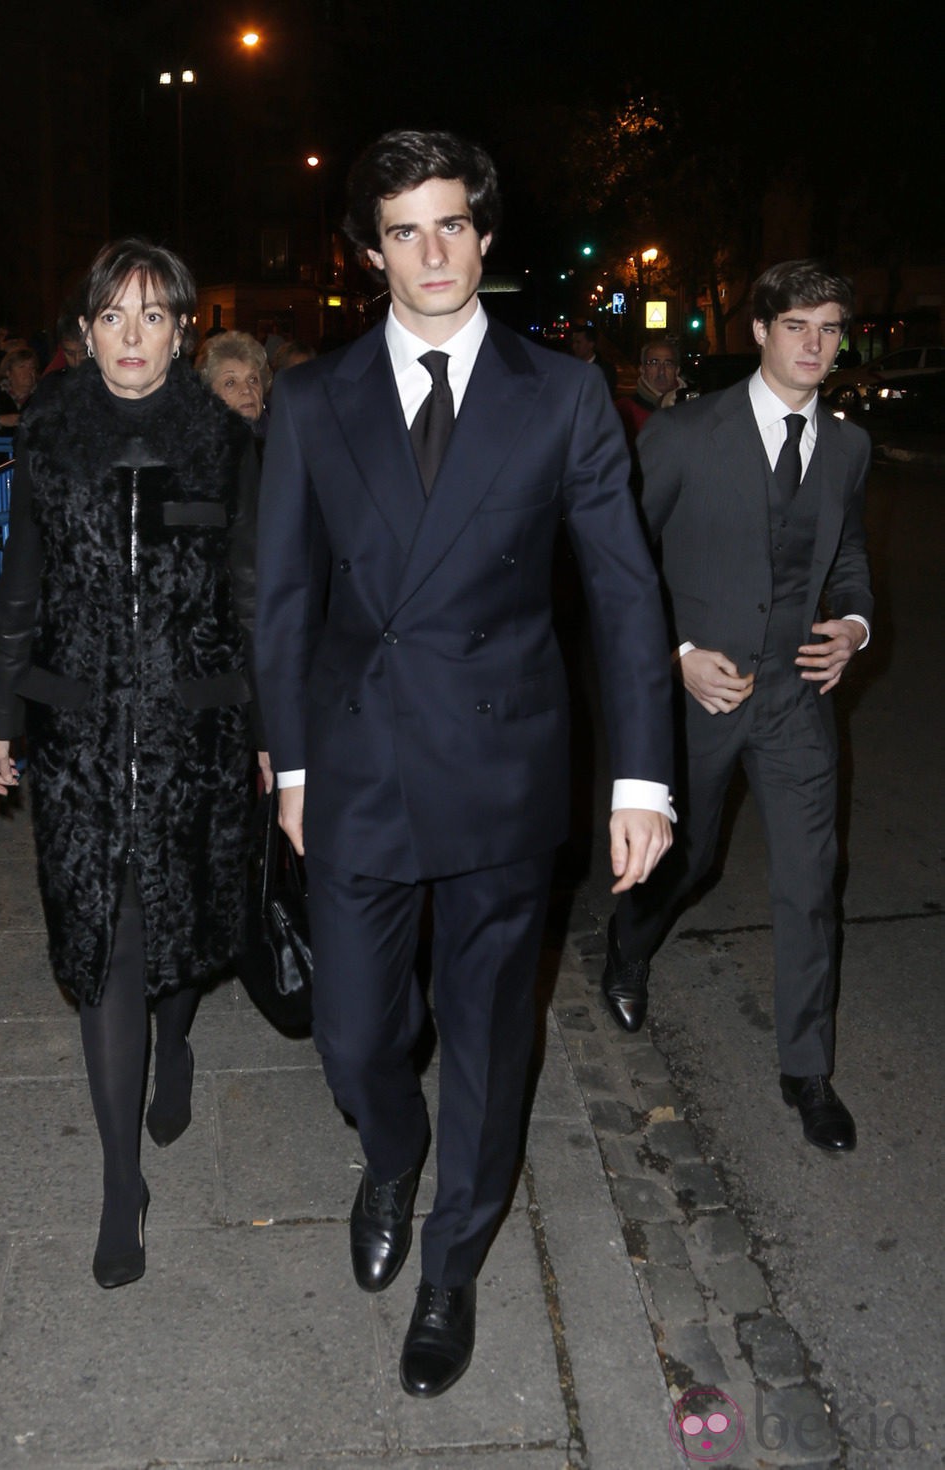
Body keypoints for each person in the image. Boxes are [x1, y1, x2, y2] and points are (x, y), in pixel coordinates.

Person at [256, 129, 674, 1398]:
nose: (430, 253)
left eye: (451, 226)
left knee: (491, 1040)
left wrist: (642, 779)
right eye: (403, 231)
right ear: (370, 250)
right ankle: (391, 1150)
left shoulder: (559, 396)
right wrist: (288, 768)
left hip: (501, 771)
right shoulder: (312, 400)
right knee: (352, 1036)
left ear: (485, 239)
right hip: (358, 765)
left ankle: (451, 1262)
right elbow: (278, 597)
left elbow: (620, 592)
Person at [0, 238, 260, 1288]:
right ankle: (117, 1183)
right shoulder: (48, 430)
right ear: (84, 331)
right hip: (85, 732)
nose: (131, 337)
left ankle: (174, 1040)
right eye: (111, 317)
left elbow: (251, 595)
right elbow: (24, 583)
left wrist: (279, 742)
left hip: (192, 729)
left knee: (184, 920)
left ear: (182, 330)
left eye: (152, 316)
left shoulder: (222, 440)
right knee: (106, 936)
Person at [601, 260, 873, 1156]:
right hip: (701, 696)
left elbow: (848, 560)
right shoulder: (684, 435)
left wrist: (856, 627)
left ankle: (808, 1071)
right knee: (691, 859)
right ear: (757, 331)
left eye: (831, 329)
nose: (816, 345)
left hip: (797, 700)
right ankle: (630, 944)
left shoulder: (846, 447)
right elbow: (624, 566)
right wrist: (676, 657)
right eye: (798, 325)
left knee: (809, 884)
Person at [195, 329, 271, 435]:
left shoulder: (284, 438)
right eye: (230, 383)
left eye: (253, 380)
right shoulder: (196, 445)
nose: (246, 389)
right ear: (209, 395)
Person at [615, 338, 684, 444]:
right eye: (653, 363)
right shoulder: (624, 411)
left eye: (668, 364)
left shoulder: (692, 406)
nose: (661, 371)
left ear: (677, 370)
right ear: (642, 369)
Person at [570, 321, 617, 395]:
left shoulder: (606, 370)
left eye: (578, 342)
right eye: (573, 342)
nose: (574, 346)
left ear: (591, 344)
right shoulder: (569, 367)